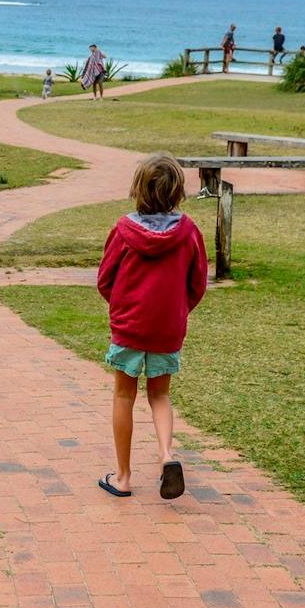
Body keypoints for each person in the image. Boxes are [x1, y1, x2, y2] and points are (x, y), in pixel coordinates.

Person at [95, 154, 208, 502]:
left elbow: (105, 280)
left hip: (130, 326)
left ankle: (124, 476)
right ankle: (165, 456)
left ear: (138, 189)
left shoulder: (124, 231)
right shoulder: (188, 232)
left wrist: (123, 306)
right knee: (159, 394)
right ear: (178, 191)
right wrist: (176, 311)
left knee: (123, 395)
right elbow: (198, 283)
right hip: (167, 328)